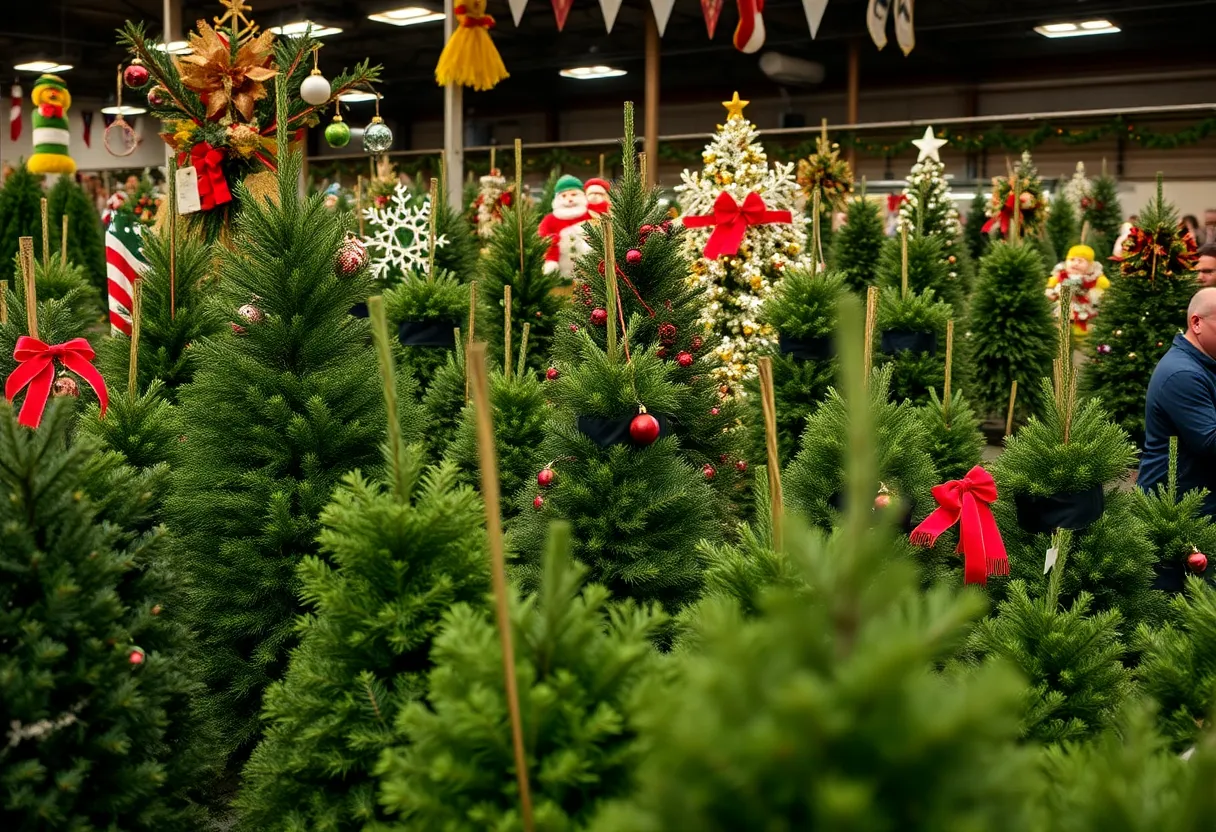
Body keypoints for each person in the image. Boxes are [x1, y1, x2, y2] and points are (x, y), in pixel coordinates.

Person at [1139, 287, 1216, 590]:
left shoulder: (1205, 363)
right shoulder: (1182, 374)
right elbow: (1210, 442)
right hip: (1180, 510)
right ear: (1196, 323)